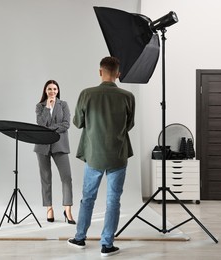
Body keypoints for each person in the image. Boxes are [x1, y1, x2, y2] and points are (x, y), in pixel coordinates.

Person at [67, 57, 135, 257]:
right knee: (113, 201)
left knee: (88, 198)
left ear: (100, 72)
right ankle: (107, 245)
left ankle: (80, 238)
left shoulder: (87, 94)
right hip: (118, 154)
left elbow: (78, 122)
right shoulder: (128, 96)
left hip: (93, 154)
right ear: (118, 74)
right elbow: (129, 125)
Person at [34, 79, 76, 224]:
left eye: (55, 89)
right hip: (42, 146)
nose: (52, 92)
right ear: (45, 91)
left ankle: (68, 209)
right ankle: (49, 208)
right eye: (49, 89)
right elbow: (40, 124)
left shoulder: (63, 105)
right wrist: (47, 108)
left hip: (60, 145)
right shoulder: (40, 107)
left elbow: (66, 124)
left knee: (67, 177)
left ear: (58, 91)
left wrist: (48, 129)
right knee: (45, 178)